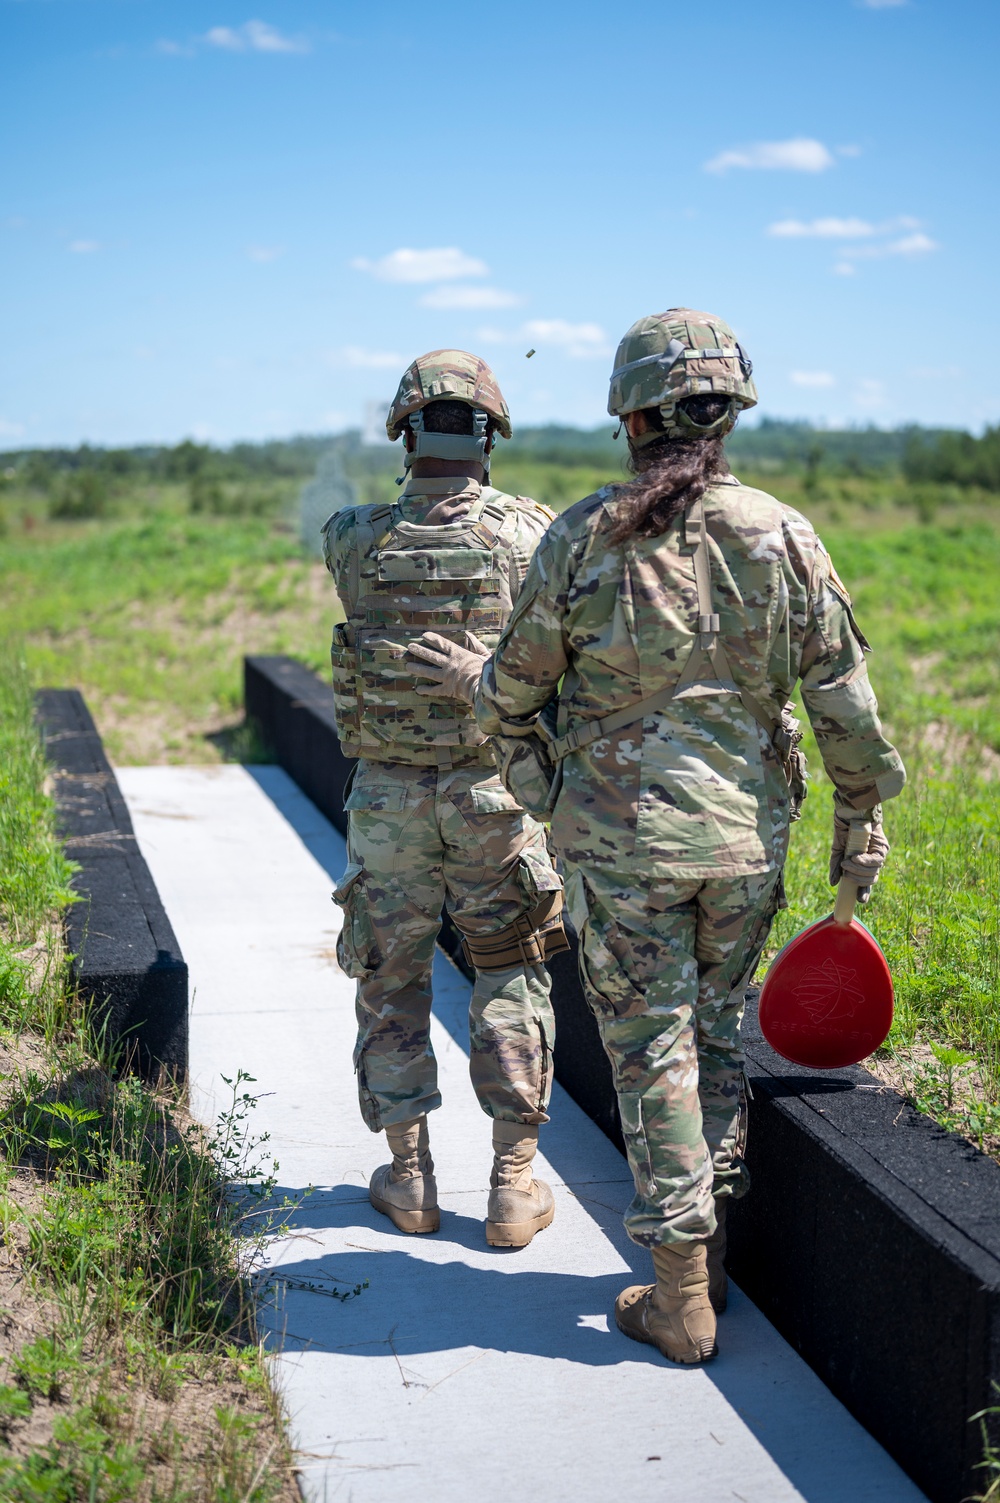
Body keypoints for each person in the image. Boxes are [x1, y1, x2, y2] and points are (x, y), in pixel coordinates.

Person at [406, 310, 905, 1359]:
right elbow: (846, 708)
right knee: (714, 1038)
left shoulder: (584, 536)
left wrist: (548, 790)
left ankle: (679, 1294)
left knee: (653, 1056)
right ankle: (705, 1262)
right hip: (742, 849)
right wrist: (859, 821)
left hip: (621, 855)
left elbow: (507, 695)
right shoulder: (781, 533)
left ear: (629, 419)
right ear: (726, 419)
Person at [323, 350, 568, 1250]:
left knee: (391, 980)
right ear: (491, 433)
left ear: (404, 430)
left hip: (386, 803)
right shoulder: (532, 533)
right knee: (509, 969)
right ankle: (512, 1183)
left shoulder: (353, 535)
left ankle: (412, 1175)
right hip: (495, 796)